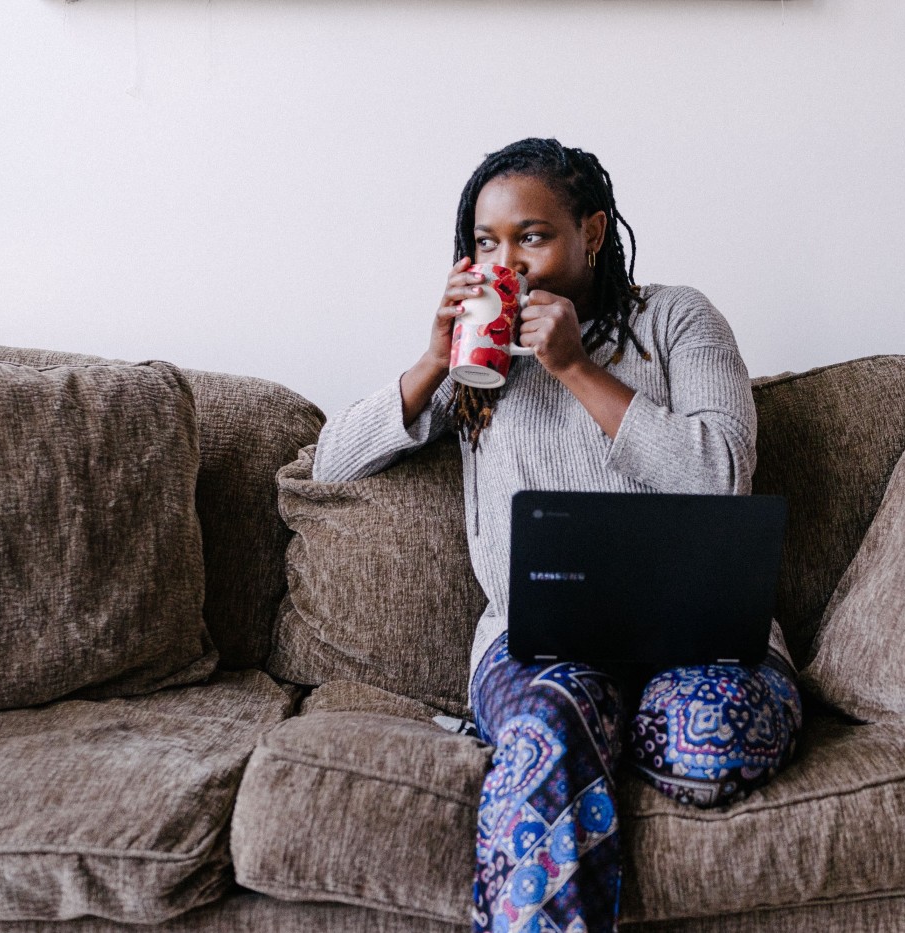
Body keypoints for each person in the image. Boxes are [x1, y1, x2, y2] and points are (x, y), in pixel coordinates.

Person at [312, 138, 802, 933]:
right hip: (534, 646)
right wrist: (435, 361)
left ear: (594, 232)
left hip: (701, 636)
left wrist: (576, 368)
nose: (508, 261)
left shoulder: (676, 318)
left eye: (532, 236)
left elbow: (721, 475)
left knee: (706, 741)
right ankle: (584, 726)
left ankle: (604, 725)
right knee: (547, 724)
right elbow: (332, 463)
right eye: (485, 243)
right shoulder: (482, 353)